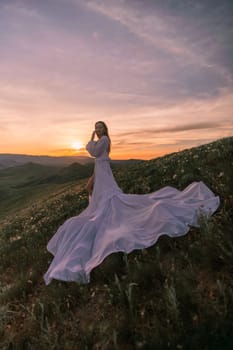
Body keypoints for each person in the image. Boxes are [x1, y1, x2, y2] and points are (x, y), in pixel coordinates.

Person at [44, 121, 220, 285]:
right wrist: (92, 179)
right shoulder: (103, 142)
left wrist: (90, 138)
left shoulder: (104, 140)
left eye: (99, 127)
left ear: (104, 130)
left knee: (111, 203)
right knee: (101, 203)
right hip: (101, 175)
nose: (97, 130)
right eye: (95, 128)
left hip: (105, 177)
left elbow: (94, 152)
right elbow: (98, 161)